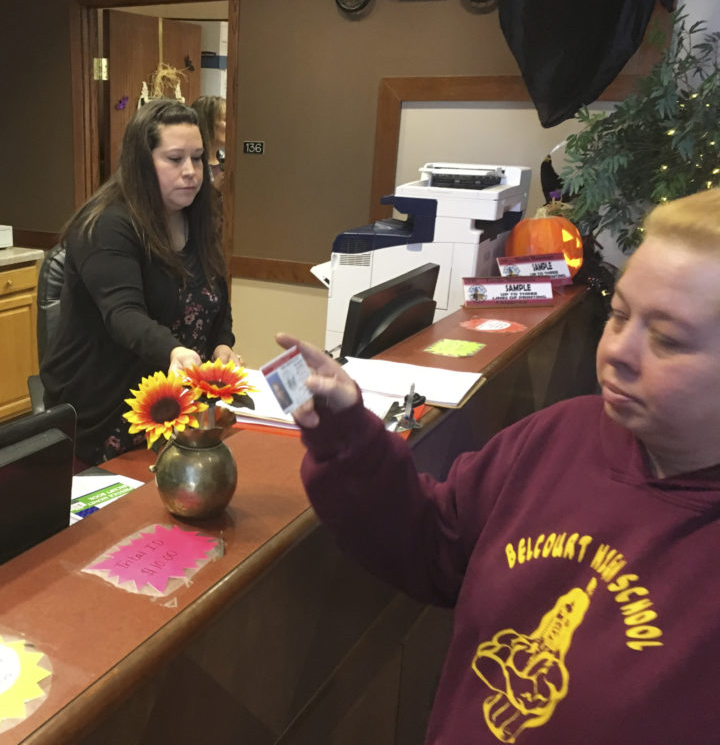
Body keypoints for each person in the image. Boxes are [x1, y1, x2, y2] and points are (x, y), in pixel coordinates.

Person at [276, 187, 720, 743]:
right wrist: (348, 438)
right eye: (619, 315)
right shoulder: (560, 435)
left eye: (668, 339)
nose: (617, 353)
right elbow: (432, 544)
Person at [40, 98, 237, 467]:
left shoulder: (200, 215)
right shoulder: (106, 225)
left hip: (177, 412)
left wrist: (223, 343)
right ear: (141, 162)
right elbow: (123, 313)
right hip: (107, 414)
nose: (192, 171)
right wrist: (174, 352)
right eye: (175, 159)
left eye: (198, 157)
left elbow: (215, 300)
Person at [191, 95, 226, 187]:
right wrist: (214, 189)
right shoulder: (189, 164)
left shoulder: (227, 161)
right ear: (207, 123)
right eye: (226, 119)